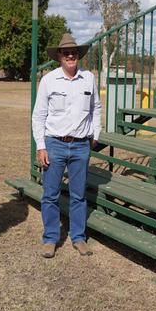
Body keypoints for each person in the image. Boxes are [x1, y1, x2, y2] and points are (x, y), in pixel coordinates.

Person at [31, 33, 101, 258]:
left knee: (78, 194)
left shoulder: (89, 78)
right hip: (55, 144)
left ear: (78, 55)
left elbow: (96, 108)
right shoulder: (49, 80)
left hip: (81, 146)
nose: (70, 55)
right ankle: (51, 238)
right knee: (51, 194)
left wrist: (95, 134)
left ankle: (78, 237)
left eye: (74, 52)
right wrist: (41, 146)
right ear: (59, 56)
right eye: (66, 52)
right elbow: (38, 116)